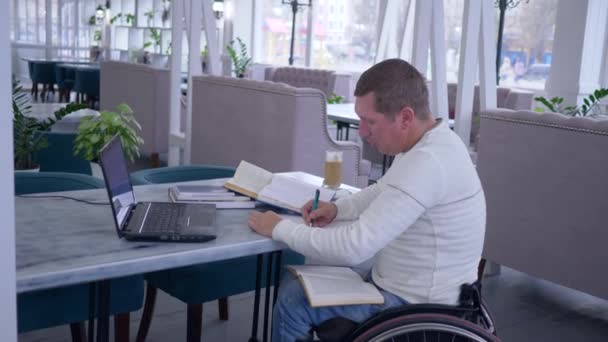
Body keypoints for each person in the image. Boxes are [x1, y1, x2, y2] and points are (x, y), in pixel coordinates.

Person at [248, 58, 486, 342]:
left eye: (369, 121)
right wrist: (337, 208)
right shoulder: (433, 143)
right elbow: (383, 189)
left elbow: (354, 247)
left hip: (418, 306)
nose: (361, 131)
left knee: (293, 303)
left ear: (406, 117)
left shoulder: (428, 163)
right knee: (296, 278)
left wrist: (277, 228)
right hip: (411, 287)